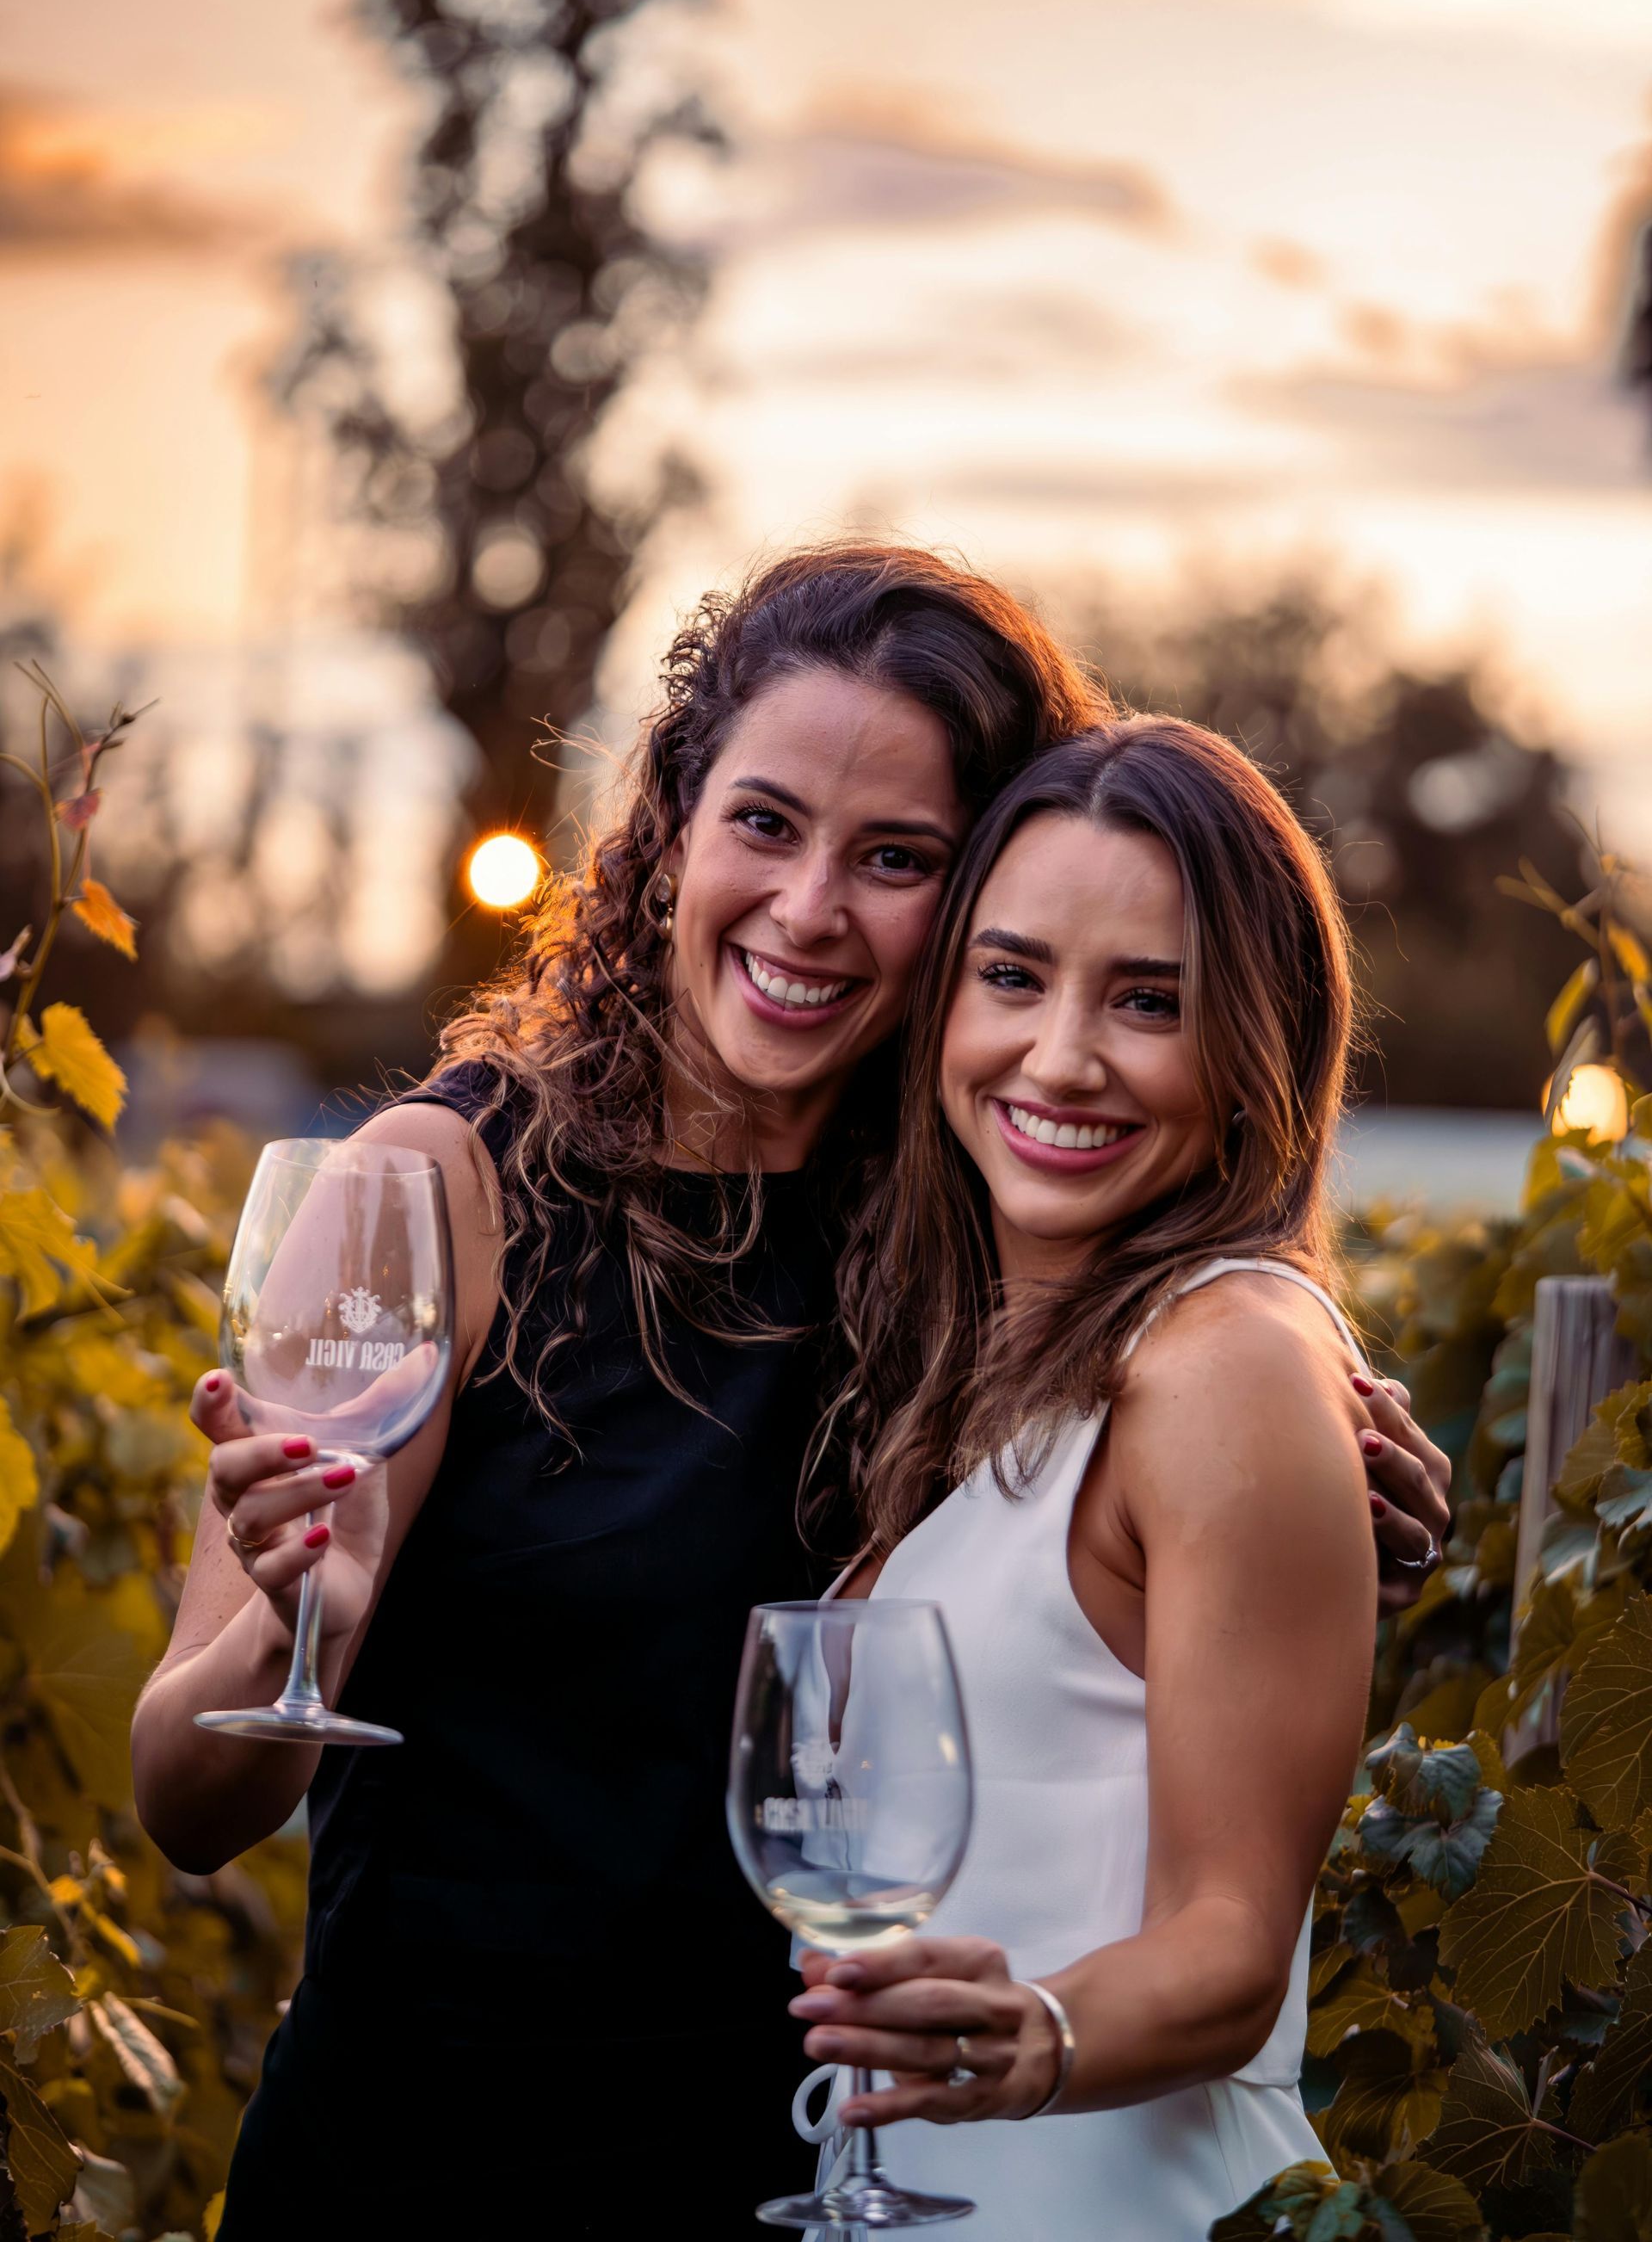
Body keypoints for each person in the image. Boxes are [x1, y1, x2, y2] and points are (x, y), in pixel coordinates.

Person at [129, 553, 1446, 2238]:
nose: (811, 906)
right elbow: (186, 1799)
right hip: (432, 2159)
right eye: (763, 822)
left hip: (818, 2174)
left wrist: (1323, 1508)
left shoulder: (975, 1235)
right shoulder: (448, 1189)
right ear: (669, 824)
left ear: (967, 904)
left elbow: (1120, 1548)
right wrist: (287, 1625)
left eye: (895, 858)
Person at [787, 717, 1401, 2239]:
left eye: (1149, 1001)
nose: (1060, 1057)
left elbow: (1231, 1941)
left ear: (1258, 1040)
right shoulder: (993, 1362)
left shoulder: (1222, 1365)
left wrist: (1034, 2033)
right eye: (1011, 976)